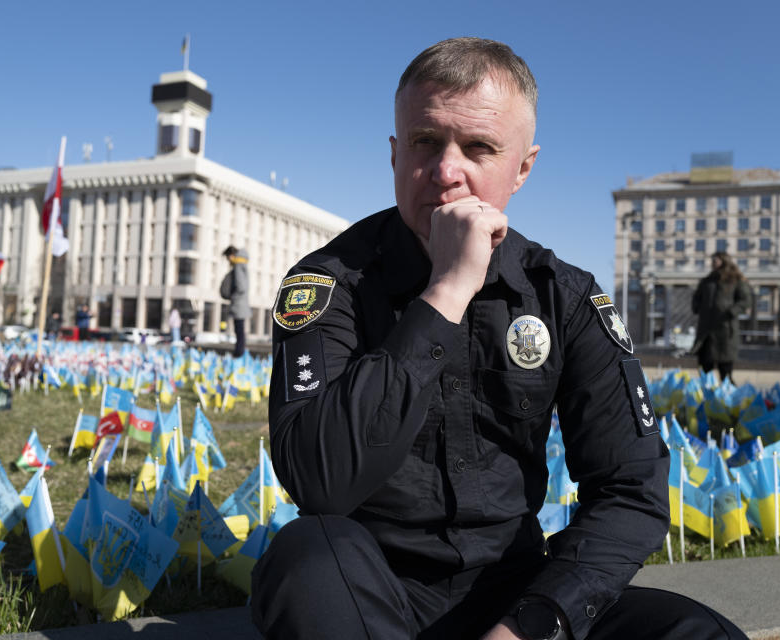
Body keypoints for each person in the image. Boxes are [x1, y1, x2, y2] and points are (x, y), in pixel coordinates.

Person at [253, 38, 747, 640]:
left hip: (518, 597)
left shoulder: (561, 294)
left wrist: (534, 624)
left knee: (695, 631)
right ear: (394, 153)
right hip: (369, 591)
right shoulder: (332, 281)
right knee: (305, 554)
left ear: (523, 167)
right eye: (425, 142)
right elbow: (318, 479)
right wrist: (446, 292)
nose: (445, 172)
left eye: (479, 147)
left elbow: (631, 488)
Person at [692, 251, 752, 383]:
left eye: (716, 260)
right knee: (704, 372)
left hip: (725, 332)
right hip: (706, 332)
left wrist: (731, 312)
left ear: (724, 261)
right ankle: (706, 400)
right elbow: (696, 298)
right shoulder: (706, 281)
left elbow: (745, 300)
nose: (713, 263)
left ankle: (728, 401)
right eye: (712, 260)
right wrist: (697, 307)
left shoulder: (735, 280)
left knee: (725, 373)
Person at [219, 245, 250, 357]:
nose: (228, 261)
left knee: (239, 330)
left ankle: (239, 353)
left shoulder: (238, 266)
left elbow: (241, 286)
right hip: (241, 303)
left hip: (238, 304)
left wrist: (233, 296)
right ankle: (239, 351)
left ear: (231, 256)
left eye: (228, 258)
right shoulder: (242, 264)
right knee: (240, 330)